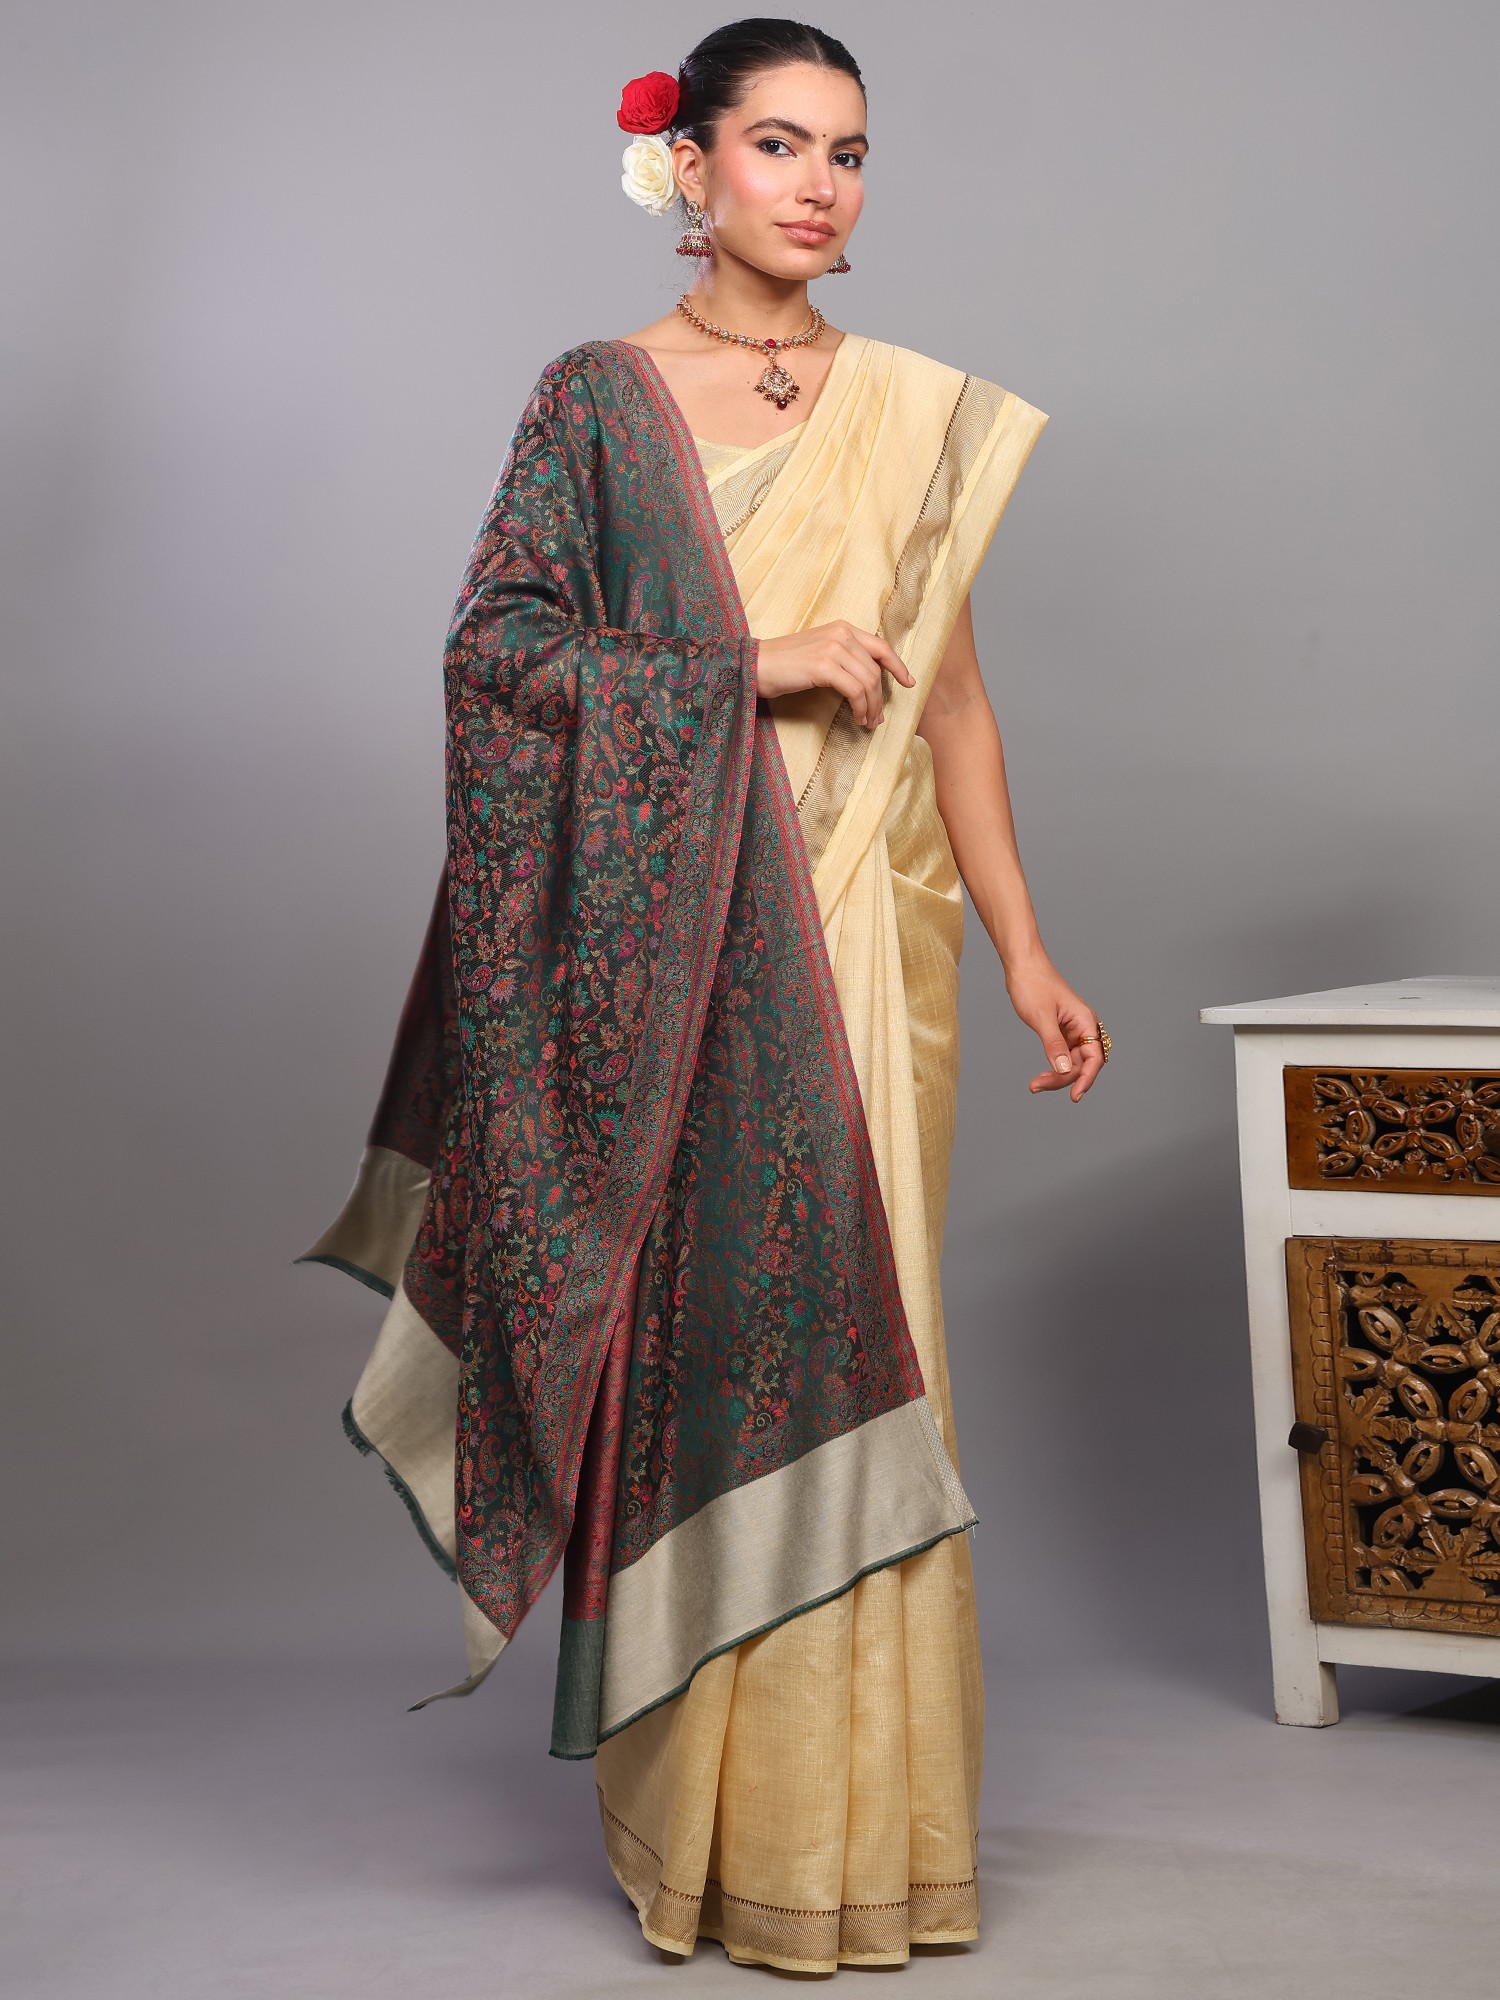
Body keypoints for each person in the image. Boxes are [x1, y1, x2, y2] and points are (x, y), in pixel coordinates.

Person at [301, 15, 1108, 1976]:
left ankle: (872, 1841)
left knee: (876, 1345)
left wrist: (1024, 947)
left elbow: (956, 707)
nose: (820, 185)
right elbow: (497, 654)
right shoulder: (600, 399)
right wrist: (743, 669)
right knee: (712, 1350)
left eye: (850, 151)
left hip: (865, 953)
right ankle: (715, 1839)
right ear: (691, 166)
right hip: (674, 967)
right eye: (779, 144)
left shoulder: (908, 410)